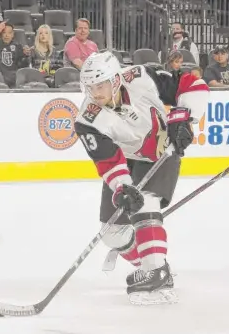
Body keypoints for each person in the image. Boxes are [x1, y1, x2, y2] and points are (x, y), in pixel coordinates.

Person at [74, 51, 209, 305]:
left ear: (116, 79)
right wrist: (123, 187)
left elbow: (192, 84)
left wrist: (184, 118)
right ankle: (155, 265)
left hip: (161, 150)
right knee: (113, 233)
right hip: (126, 160)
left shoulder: (141, 76)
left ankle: (155, 271)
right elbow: (107, 160)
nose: (96, 91)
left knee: (146, 202)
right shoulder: (87, 120)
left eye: (101, 84)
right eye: (90, 86)